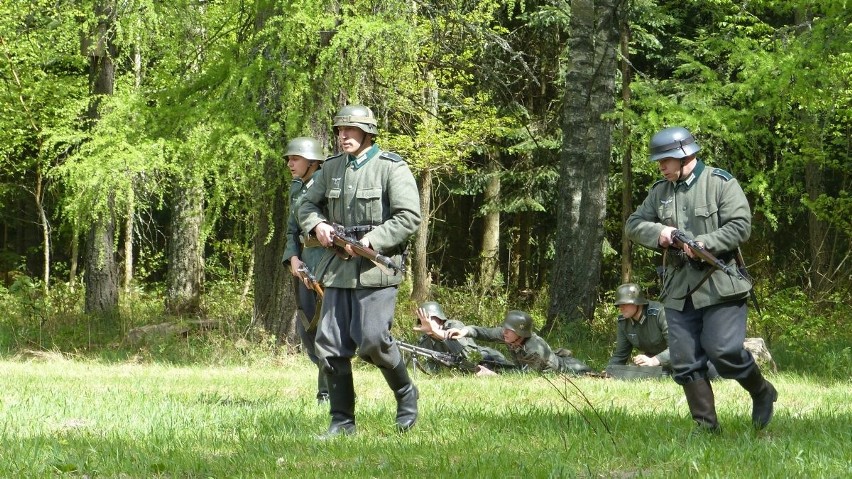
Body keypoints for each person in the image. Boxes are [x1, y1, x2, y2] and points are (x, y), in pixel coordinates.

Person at [625, 126, 777, 433]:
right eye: (659, 160)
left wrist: (704, 244)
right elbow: (634, 223)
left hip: (720, 282)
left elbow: (739, 226)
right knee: (684, 360)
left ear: (685, 155)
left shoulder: (720, 183)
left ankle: (762, 392)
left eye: (665, 159)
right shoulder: (660, 191)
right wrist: (661, 233)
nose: (661, 166)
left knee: (723, 352)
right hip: (679, 288)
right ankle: (706, 426)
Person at [298, 105, 422, 438]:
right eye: (339, 131)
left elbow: (409, 218)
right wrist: (318, 224)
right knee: (331, 345)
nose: (343, 136)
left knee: (372, 340)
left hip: (375, 270)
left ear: (368, 132)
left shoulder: (391, 168)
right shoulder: (332, 169)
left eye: (350, 130)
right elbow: (305, 205)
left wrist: (372, 239)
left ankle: (406, 394)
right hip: (337, 269)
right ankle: (342, 422)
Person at [281, 136, 328, 405]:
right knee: (307, 330)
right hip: (304, 266)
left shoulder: (327, 188)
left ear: (312, 162)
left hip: (327, 267)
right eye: (289, 158)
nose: (290, 163)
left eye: (295, 158)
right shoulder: (297, 189)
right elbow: (291, 230)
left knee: (326, 333)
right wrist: (293, 259)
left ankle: (328, 393)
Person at [447, 310, 593, 375]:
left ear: (520, 333)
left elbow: (523, 376)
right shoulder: (509, 335)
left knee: (592, 375)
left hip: (571, 371)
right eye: (504, 328)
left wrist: (493, 375)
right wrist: (464, 331)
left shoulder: (534, 350)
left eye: (508, 330)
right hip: (554, 362)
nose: (504, 332)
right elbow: (483, 332)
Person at [412, 301, 515, 375]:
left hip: (487, 359)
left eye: (429, 319)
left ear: (440, 319)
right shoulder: (425, 341)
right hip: (466, 370)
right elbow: (431, 368)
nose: (425, 323)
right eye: (422, 321)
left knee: (515, 372)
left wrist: (434, 331)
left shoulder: (454, 325)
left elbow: (464, 352)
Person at [607, 283, 672, 373]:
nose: (621, 308)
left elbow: (678, 348)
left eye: (625, 303)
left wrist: (653, 360)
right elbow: (620, 355)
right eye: (618, 304)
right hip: (653, 362)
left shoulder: (659, 313)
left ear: (637, 302)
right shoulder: (623, 322)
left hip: (676, 360)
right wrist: (609, 372)